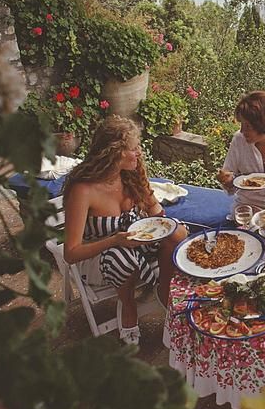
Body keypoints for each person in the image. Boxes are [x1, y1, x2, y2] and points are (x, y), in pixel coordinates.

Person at [62, 116, 188, 346]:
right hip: (97, 256)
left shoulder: (130, 174)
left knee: (178, 234)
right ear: (114, 152)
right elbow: (71, 253)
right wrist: (114, 240)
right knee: (123, 257)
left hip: (133, 243)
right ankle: (128, 306)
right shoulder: (83, 190)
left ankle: (165, 293)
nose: (139, 153)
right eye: (134, 148)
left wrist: (168, 227)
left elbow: (155, 210)